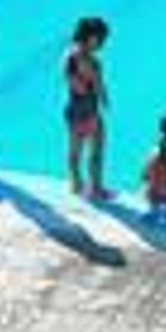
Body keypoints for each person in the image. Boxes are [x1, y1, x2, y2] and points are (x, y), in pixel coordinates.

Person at [64, 16, 112, 200]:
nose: (102, 44)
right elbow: (95, 85)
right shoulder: (90, 61)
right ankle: (96, 188)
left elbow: (72, 83)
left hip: (72, 107)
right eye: (101, 40)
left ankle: (76, 184)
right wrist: (103, 97)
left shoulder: (69, 55)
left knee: (74, 150)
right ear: (92, 38)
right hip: (88, 108)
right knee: (96, 149)